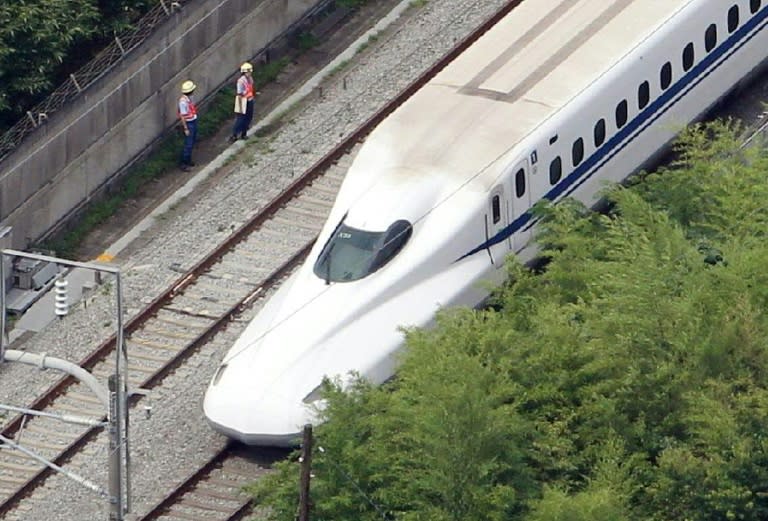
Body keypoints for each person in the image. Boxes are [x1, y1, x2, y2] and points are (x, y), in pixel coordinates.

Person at [230, 62, 255, 142]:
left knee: (248, 117)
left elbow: (252, 86)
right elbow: (240, 92)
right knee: (240, 119)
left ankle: (244, 133)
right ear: (245, 72)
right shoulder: (241, 81)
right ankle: (234, 134)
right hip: (243, 101)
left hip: (250, 100)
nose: (250, 73)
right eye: (248, 71)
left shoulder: (250, 79)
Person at [178, 80, 198, 171]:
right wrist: (185, 128)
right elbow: (182, 116)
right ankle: (184, 163)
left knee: (192, 141)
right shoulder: (183, 102)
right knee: (188, 144)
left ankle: (189, 160)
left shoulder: (189, 98)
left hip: (193, 120)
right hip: (189, 123)